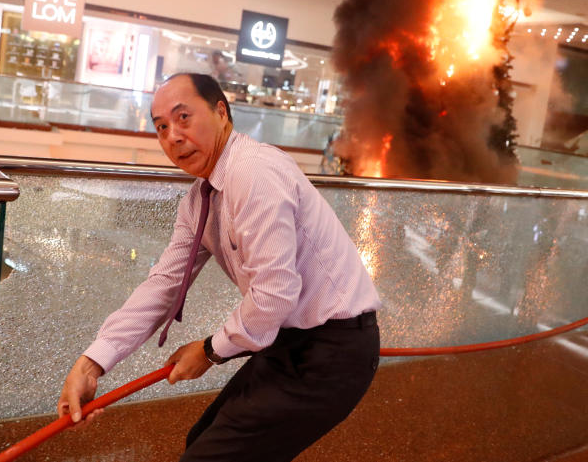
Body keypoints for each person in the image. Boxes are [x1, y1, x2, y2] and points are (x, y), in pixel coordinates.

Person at [58, 73, 381, 462]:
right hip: (288, 344)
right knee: (202, 439)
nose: (173, 136)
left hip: (333, 353)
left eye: (183, 118)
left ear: (221, 112)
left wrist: (210, 351)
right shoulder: (200, 198)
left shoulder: (253, 172)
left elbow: (275, 294)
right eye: (161, 127)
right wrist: (92, 363)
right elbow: (164, 283)